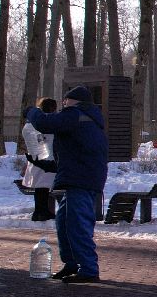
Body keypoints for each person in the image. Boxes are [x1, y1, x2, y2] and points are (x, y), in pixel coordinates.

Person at [25, 85, 107, 284]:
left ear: (75, 101)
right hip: (80, 178)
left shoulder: (76, 114)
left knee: (77, 225)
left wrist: (32, 111)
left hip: (80, 181)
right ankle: (71, 263)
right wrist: (43, 164)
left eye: (66, 100)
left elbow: (44, 123)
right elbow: (76, 156)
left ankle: (88, 268)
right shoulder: (86, 119)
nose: (63, 103)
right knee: (64, 223)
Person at [21, 98, 59, 221]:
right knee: (44, 186)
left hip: (35, 157)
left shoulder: (29, 124)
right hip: (46, 158)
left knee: (40, 187)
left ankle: (40, 211)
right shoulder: (45, 123)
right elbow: (46, 140)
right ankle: (41, 212)